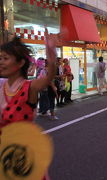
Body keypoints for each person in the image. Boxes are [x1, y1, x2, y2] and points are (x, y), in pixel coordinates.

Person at [0, 28, 56, 179]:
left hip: (24, 159)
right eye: (0, 58)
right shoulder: (2, 85)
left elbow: (48, 77)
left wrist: (51, 53)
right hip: (5, 155)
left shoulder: (29, 87)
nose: (1, 62)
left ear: (20, 63)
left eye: (5, 58)